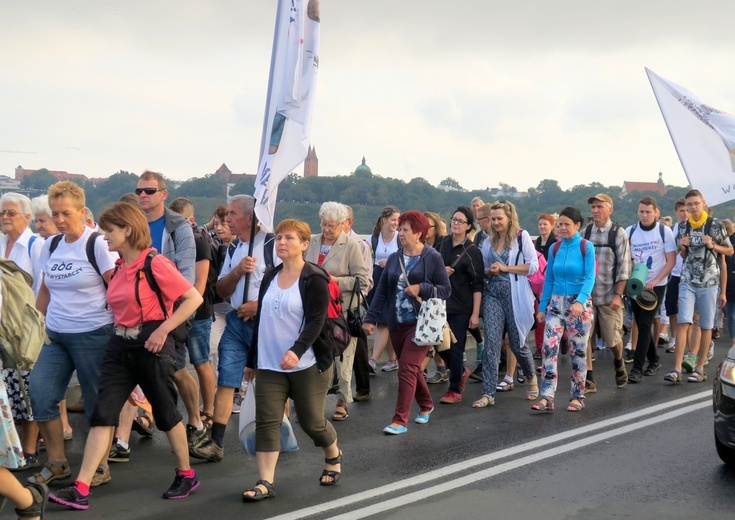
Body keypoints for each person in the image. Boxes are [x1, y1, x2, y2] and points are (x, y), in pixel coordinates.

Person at [49, 202, 203, 510]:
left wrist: (163, 331)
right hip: (119, 345)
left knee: (165, 414)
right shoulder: (120, 267)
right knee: (103, 414)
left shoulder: (154, 263)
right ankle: (81, 487)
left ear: (128, 230)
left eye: (110, 230)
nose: (104, 236)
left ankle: (186, 474)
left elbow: (193, 298)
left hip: (152, 345)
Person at [242, 219, 342, 501]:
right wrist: (252, 360)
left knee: (311, 422)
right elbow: (261, 320)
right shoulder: (270, 276)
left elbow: (315, 321)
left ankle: (332, 454)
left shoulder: (314, 278)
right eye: (279, 238)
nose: (282, 243)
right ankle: (265, 482)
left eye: (289, 238)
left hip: (307, 363)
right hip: (269, 364)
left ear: (304, 244)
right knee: (267, 421)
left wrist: (296, 350)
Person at [29, 181, 118, 486]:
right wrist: (33, 324)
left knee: (97, 403)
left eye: (65, 213)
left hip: (94, 333)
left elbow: (116, 287)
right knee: (40, 394)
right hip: (56, 335)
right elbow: (45, 289)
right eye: (55, 214)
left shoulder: (98, 245)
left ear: (82, 211)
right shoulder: (51, 245)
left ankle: (101, 466)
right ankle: (57, 463)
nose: (60, 220)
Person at [190, 195, 276, 462]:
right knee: (227, 379)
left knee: (270, 382)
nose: (226, 219)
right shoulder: (234, 247)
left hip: (266, 324)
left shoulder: (273, 244)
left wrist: (258, 305)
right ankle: (216, 443)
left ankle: (276, 435)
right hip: (238, 322)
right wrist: (238, 271)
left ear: (250, 217)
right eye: (226, 213)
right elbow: (220, 290)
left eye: (232, 213)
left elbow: (288, 285)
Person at [363, 211, 451, 435]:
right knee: (408, 368)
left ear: (419, 233)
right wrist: (370, 317)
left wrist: (422, 288)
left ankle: (400, 420)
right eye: (399, 229)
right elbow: (382, 291)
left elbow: (445, 289)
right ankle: (427, 404)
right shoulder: (395, 258)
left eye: (405, 230)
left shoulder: (432, 257)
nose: (400, 233)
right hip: (396, 323)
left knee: (408, 368)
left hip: (420, 323)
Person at [305, 202, 370, 421]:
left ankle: (343, 400)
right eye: (324, 225)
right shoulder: (312, 241)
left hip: (341, 312)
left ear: (342, 224)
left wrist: (334, 281)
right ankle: (314, 403)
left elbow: (363, 281)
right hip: (314, 309)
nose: (327, 230)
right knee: (314, 358)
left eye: (332, 226)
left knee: (344, 358)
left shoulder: (351, 245)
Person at [474, 201, 539, 408]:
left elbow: (533, 266)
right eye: (492, 219)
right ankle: (488, 393)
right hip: (493, 294)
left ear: (509, 218)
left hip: (514, 294)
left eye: (499, 218)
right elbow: (482, 270)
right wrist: (490, 271)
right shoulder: (487, 241)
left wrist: (506, 268)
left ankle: (531, 376)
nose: (495, 222)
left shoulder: (522, 237)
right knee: (492, 344)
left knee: (517, 344)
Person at [667, 190, 733, 383]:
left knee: (705, 325)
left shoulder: (715, 225)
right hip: (688, 279)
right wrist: (683, 248)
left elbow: (729, 250)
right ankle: (677, 369)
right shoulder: (683, 226)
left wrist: (713, 245)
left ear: (703, 203)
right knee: (683, 322)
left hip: (709, 281)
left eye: (696, 203)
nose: (693, 207)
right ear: (685, 207)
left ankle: (700, 368)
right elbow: (684, 256)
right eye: (689, 205)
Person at [534, 206, 595, 412]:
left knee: (577, 352)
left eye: (566, 224)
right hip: (556, 304)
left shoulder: (586, 247)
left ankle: (578, 396)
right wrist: (542, 306)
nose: (562, 228)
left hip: (579, 305)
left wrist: (580, 301)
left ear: (577, 225)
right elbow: (549, 278)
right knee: (548, 349)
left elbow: (590, 278)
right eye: (559, 224)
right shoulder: (554, 249)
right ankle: (547, 396)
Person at [1, 193, 45, 470]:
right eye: (2, 213)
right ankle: (12, 448)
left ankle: (29, 449)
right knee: (8, 392)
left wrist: (40, 324)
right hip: (2, 328)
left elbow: (43, 287)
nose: (5, 217)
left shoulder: (35, 245)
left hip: (26, 329)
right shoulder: (0, 242)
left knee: (28, 391)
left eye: (11, 213)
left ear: (27, 217)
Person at [168, 197, 217, 434]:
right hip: (175, 311)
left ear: (190, 220)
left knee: (200, 361)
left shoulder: (198, 240)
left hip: (196, 313)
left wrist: (185, 311)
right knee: (178, 364)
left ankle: (209, 409)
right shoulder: (173, 238)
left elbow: (199, 282)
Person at [433, 207, 484, 404]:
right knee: (437, 345)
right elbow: (429, 267)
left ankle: (454, 389)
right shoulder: (441, 243)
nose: (456, 223)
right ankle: (460, 371)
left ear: (469, 226)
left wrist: (475, 313)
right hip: (438, 304)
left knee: (455, 348)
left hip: (461, 306)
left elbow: (477, 284)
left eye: (461, 221)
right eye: (454, 219)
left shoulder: (472, 251)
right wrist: (440, 271)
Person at [626, 196, 677, 384]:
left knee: (645, 324)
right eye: (641, 211)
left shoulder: (664, 231)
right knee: (640, 322)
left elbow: (671, 260)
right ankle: (654, 359)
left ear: (656, 212)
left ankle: (637, 368)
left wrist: (655, 280)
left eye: (648, 211)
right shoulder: (630, 231)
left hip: (656, 285)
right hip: (635, 284)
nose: (644, 215)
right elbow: (624, 259)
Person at [583, 194, 631, 391]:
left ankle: (619, 362)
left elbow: (624, 267)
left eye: (599, 207)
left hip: (609, 295)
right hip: (587, 295)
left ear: (609, 209)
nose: (595, 210)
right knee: (584, 336)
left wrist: (619, 295)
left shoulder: (618, 233)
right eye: (593, 207)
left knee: (612, 339)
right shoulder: (585, 232)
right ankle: (589, 377)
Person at [342, 205, 374, 402]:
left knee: (358, 343)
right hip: (331, 302)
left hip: (353, 301)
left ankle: (363, 388)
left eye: (339, 220)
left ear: (349, 223)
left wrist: (357, 300)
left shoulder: (360, 244)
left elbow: (366, 280)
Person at [367, 206, 401, 373]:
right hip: (377, 280)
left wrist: (390, 263)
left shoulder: (400, 239)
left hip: (394, 282)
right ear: (384, 220)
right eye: (393, 219)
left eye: (397, 220)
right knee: (385, 321)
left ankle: (373, 360)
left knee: (383, 321)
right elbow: (365, 258)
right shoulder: (372, 239)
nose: (396, 223)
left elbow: (405, 259)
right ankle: (392, 359)